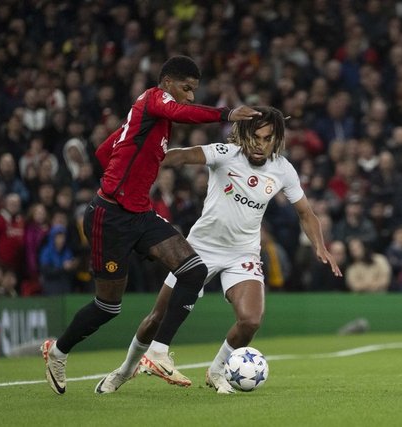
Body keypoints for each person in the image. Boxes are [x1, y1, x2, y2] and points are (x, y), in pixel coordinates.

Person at [40, 55, 260, 395]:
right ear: (168, 83)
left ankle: (158, 352)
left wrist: (126, 170)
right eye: (186, 88)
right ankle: (57, 351)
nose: (189, 96)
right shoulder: (153, 99)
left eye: (194, 90)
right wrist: (226, 114)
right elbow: (181, 113)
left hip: (139, 214)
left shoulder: (146, 122)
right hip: (109, 217)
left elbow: (104, 151)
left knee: (193, 270)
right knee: (107, 307)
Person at [94, 106, 342, 395]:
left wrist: (320, 245)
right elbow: (183, 156)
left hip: (243, 253)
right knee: (157, 317)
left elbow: (306, 213)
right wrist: (145, 159)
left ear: (277, 140)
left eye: (268, 139)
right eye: (256, 137)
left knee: (250, 321)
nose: (260, 145)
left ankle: (216, 371)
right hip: (200, 248)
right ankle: (125, 370)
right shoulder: (225, 153)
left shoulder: (283, 169)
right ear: (245, 135)